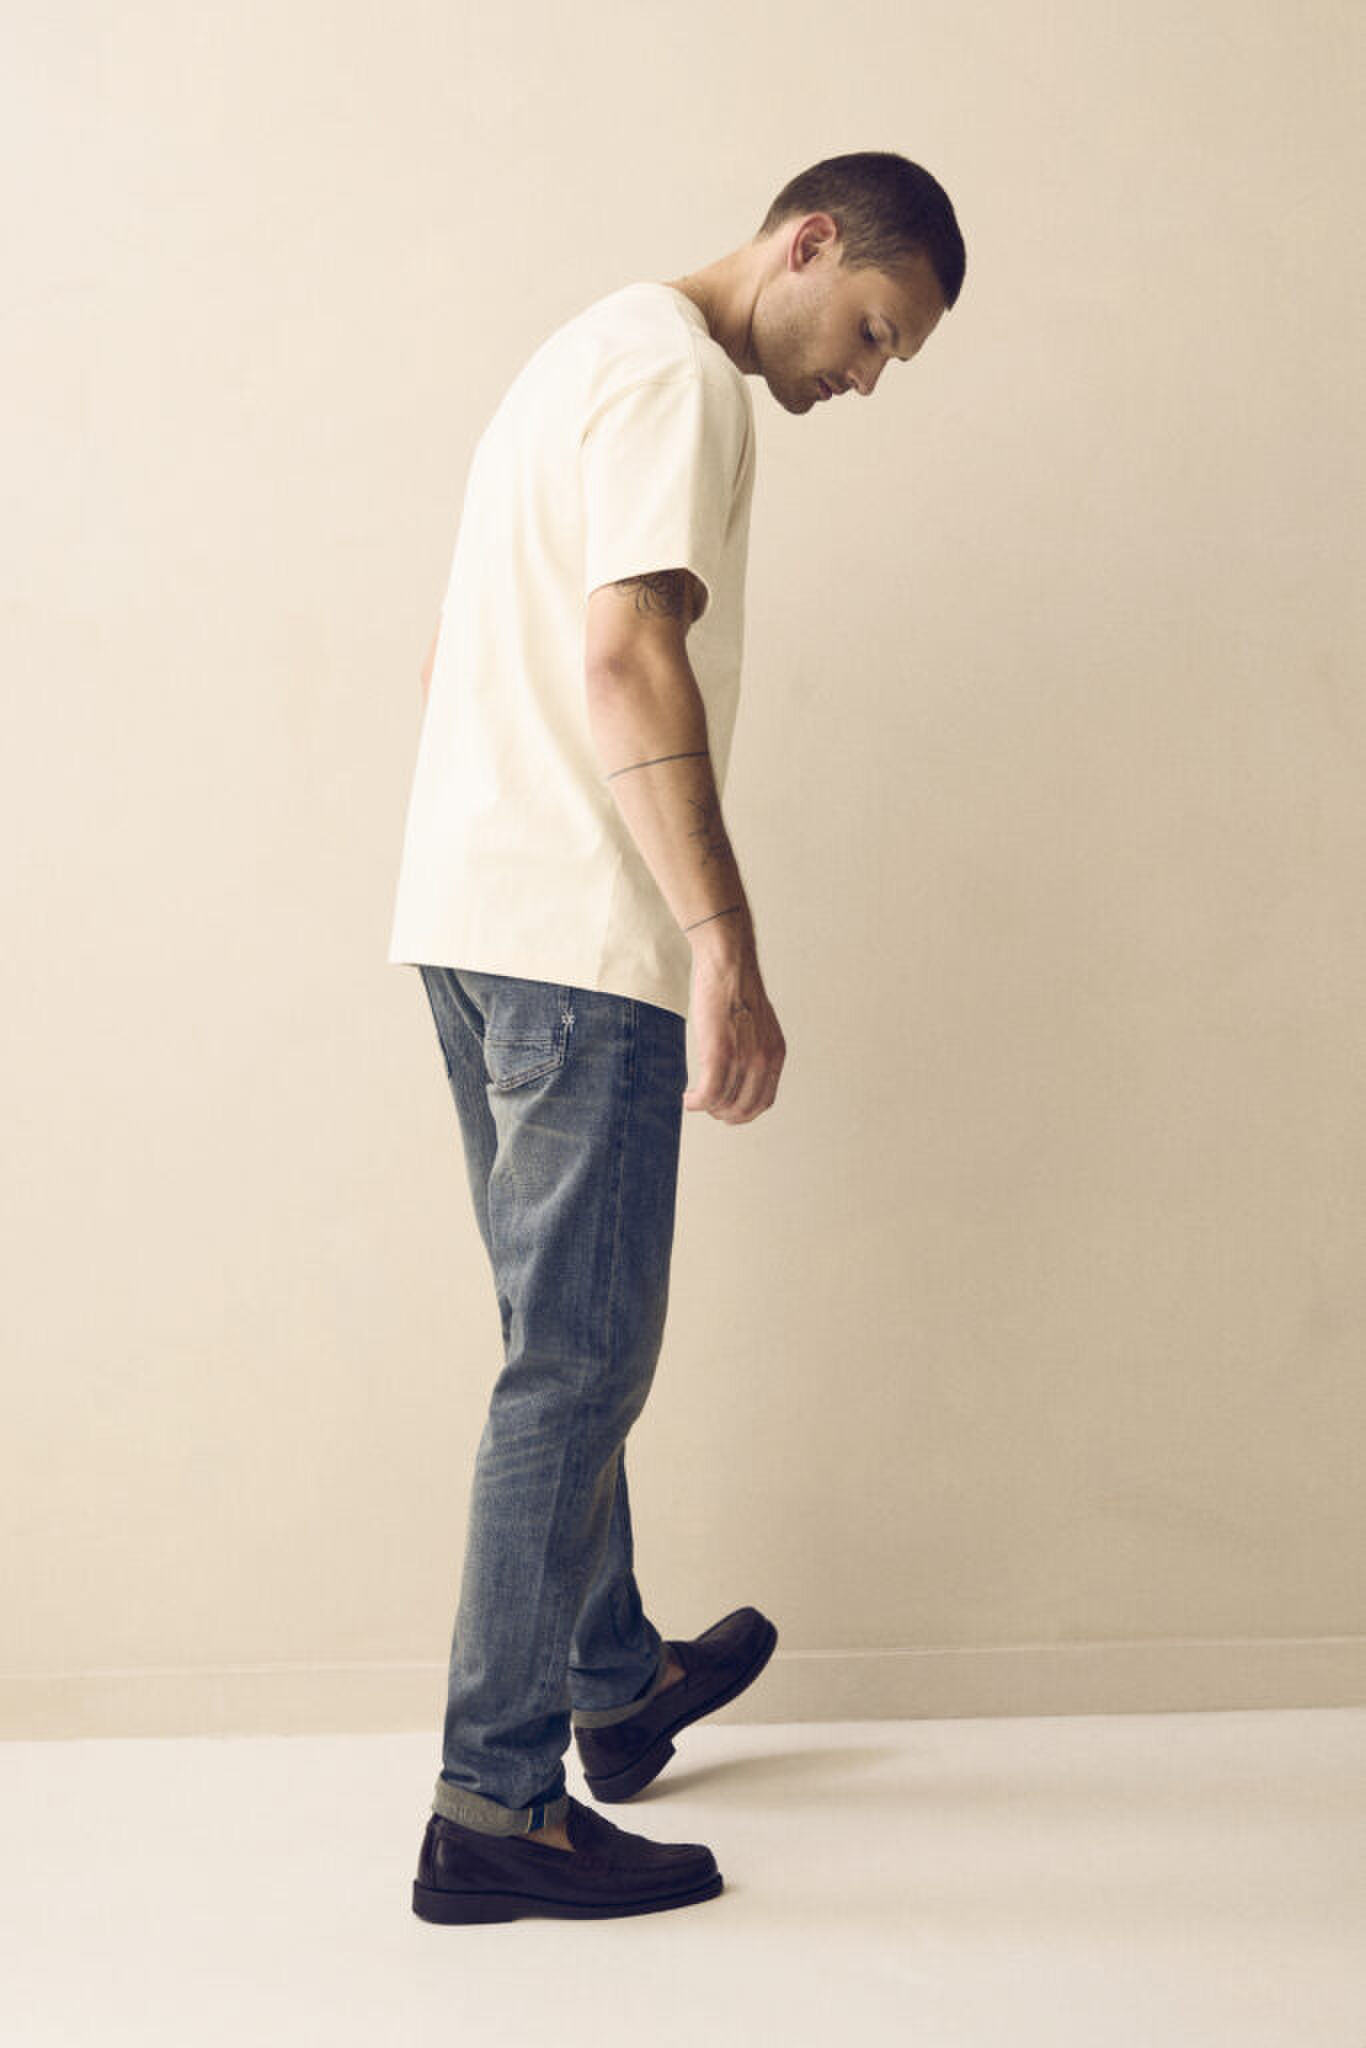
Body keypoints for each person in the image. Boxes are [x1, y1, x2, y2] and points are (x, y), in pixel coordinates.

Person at [389, 151, 965, 1924]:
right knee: (574, 1368)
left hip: (472, 918)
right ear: (806, 243)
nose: (866, 375)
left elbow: (501, 654)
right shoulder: (683, 382)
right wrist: (721, 942)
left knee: (556, 1345)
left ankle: (614, 1675)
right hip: (578, 942)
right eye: (872, 329)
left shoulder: (583, 351)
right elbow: (628, 655)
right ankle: (493, 1811)